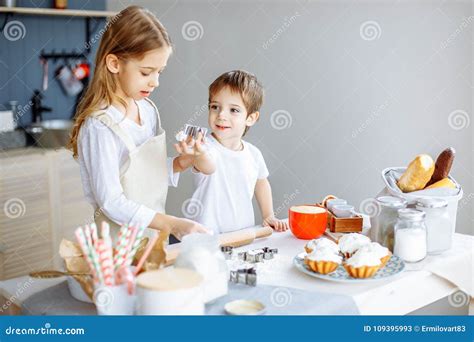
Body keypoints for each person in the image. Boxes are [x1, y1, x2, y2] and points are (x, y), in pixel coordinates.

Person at [68, 5, 209, 241]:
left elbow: (141, 175)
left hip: (153, 239)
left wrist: (181, 162)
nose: (155, 82)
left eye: (159, 72)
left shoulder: (148, 110)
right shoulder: (100, 125)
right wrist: (172, 224)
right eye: (146, 72)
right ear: (114, 64)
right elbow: (111, 201)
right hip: (118, 247)